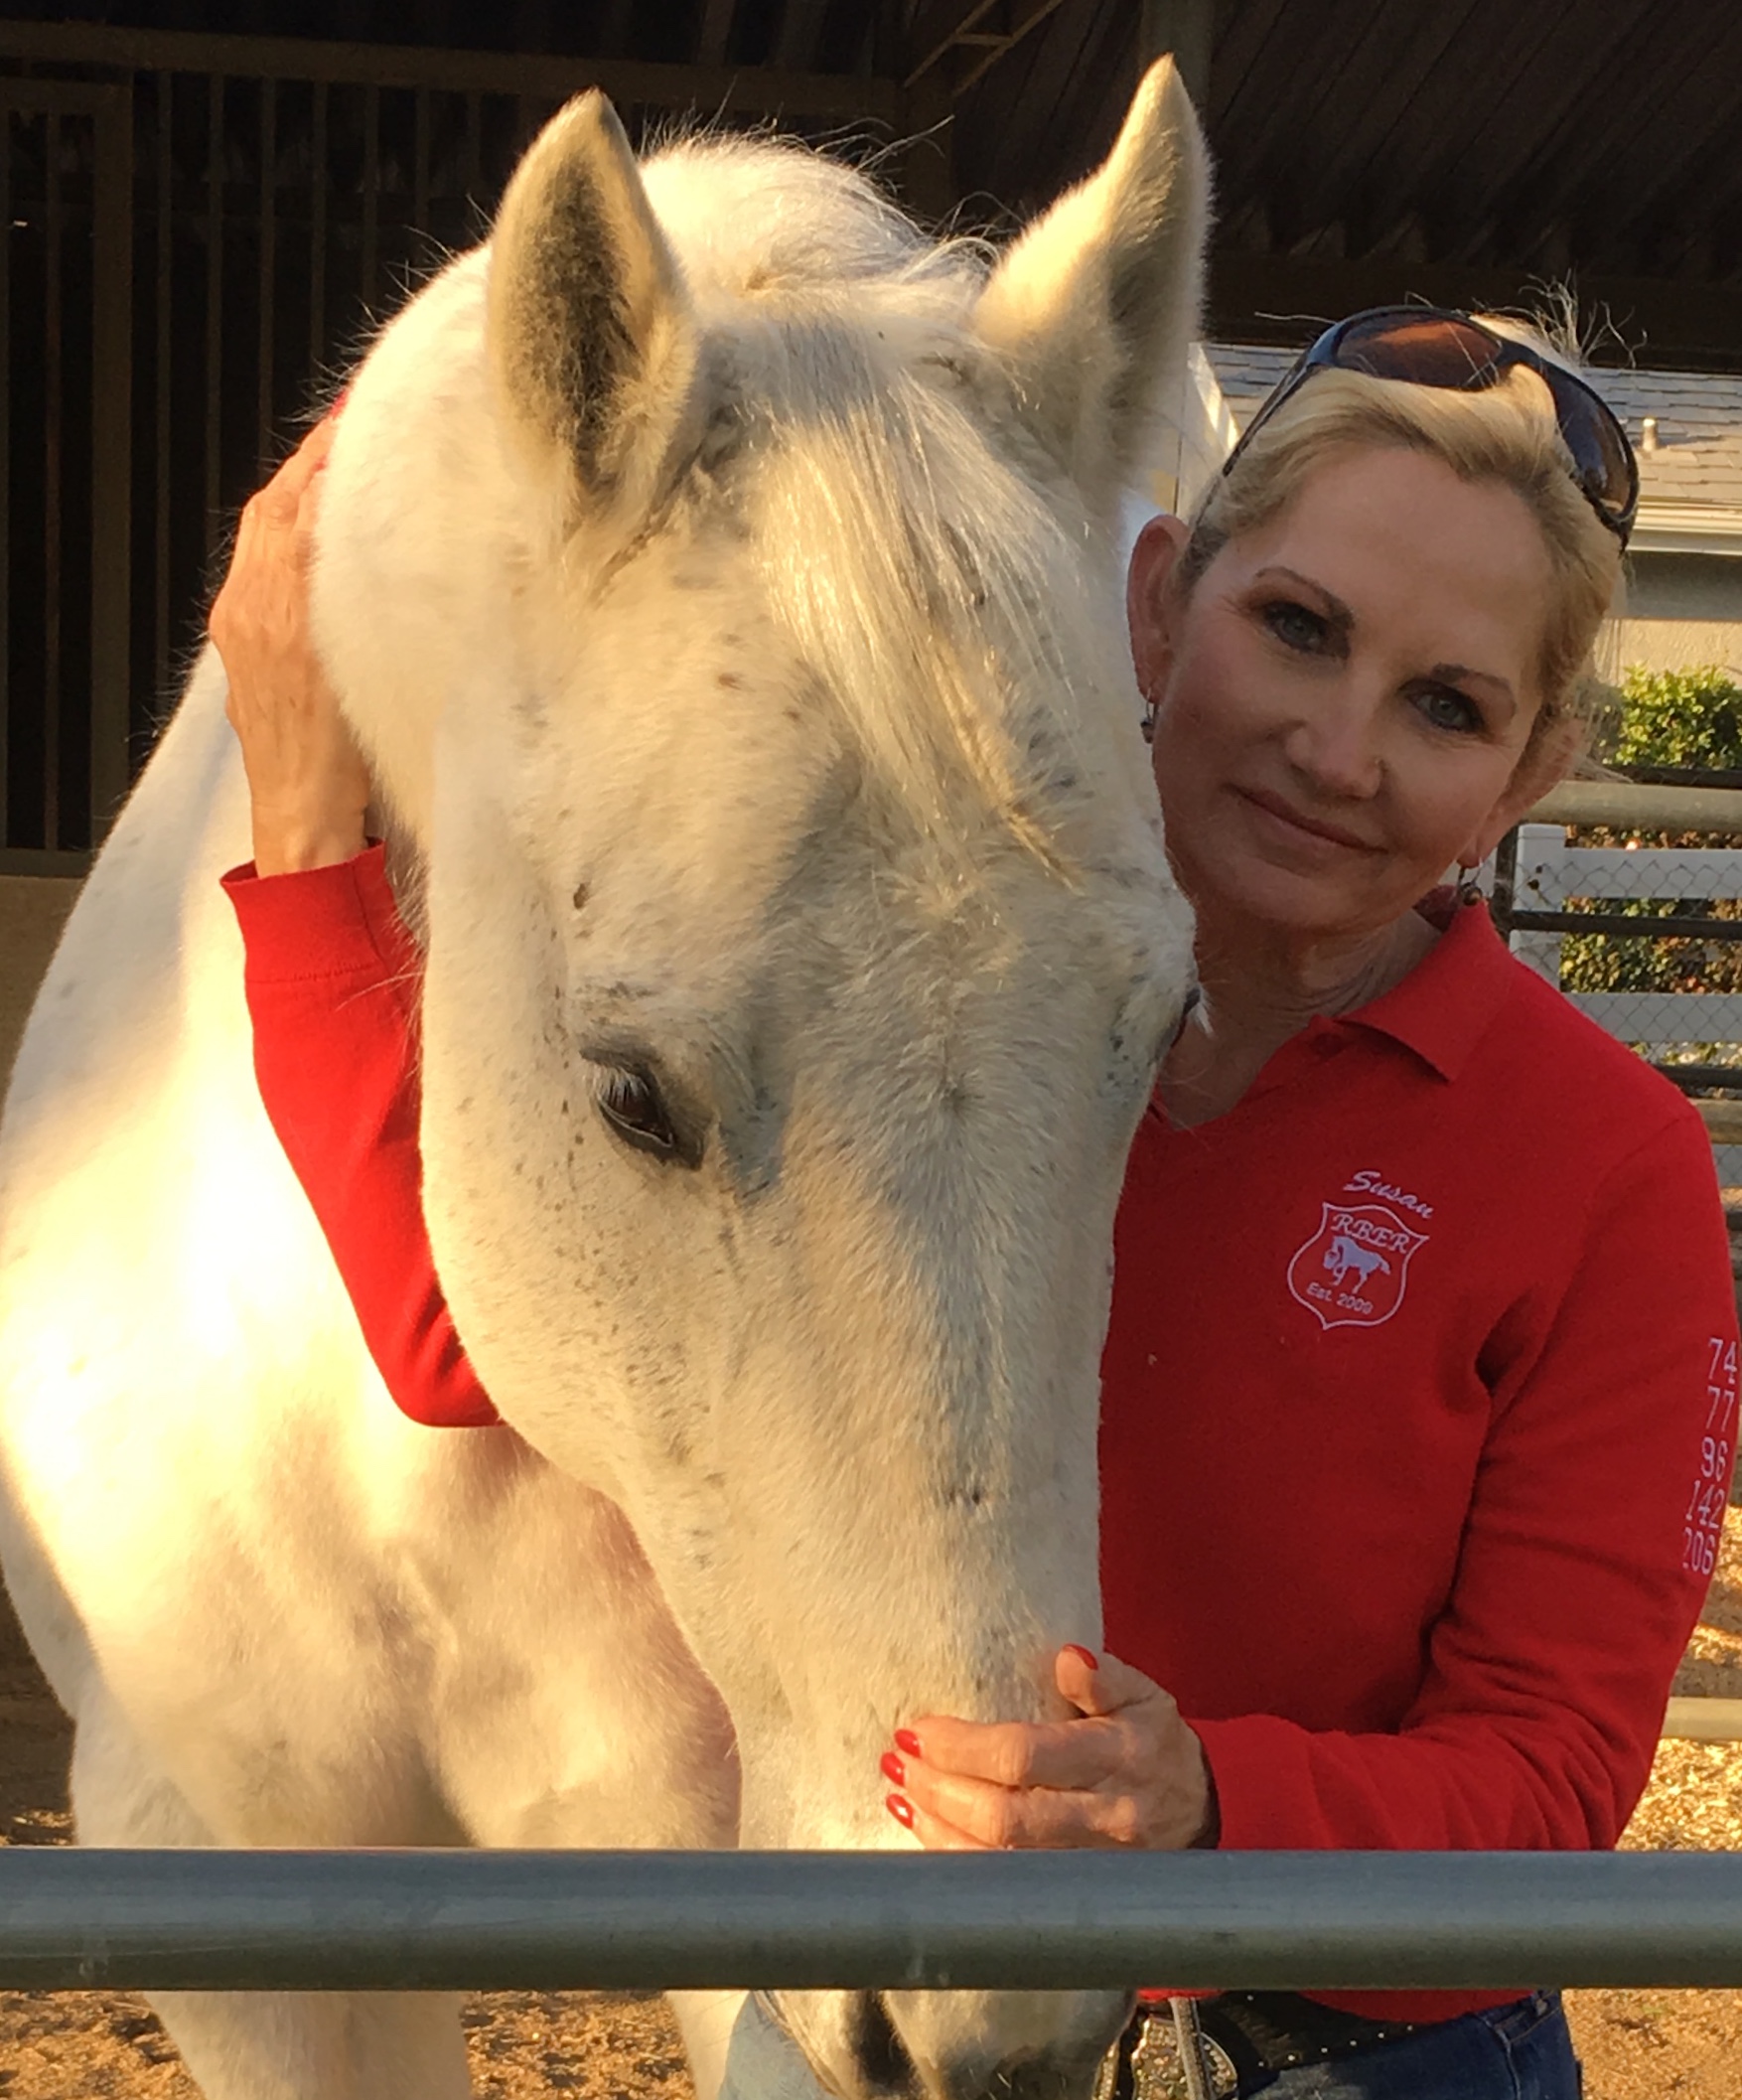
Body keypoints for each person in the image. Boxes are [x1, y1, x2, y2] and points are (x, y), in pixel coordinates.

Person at [213, 311, 1738, 2100]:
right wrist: (309, 838)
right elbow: (470, 1339)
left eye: (1446, 705)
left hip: (1352, 2048)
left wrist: (1207, 1806)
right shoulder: (916, 999)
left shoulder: (1604, 1161)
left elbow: (1552, 1773)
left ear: (1533, 767)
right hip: (897, 1971)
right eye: (1297, 629)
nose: (1340, 750)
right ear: (1160, 603)